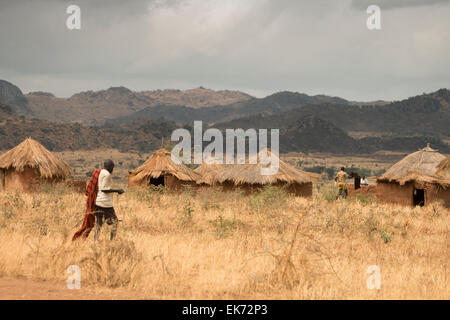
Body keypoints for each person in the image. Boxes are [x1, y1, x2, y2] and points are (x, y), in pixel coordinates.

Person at [94, 159, 124, 241]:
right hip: (105, 203)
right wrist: (117, 190)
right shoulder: (107, 175)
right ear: (110, 167)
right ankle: (112, 242)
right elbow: (104, 189)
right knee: (115, 222)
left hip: (98, 202)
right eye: (112, 168)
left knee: (99, 223)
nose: (112, 170)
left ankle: (95, 240)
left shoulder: (101, 172)